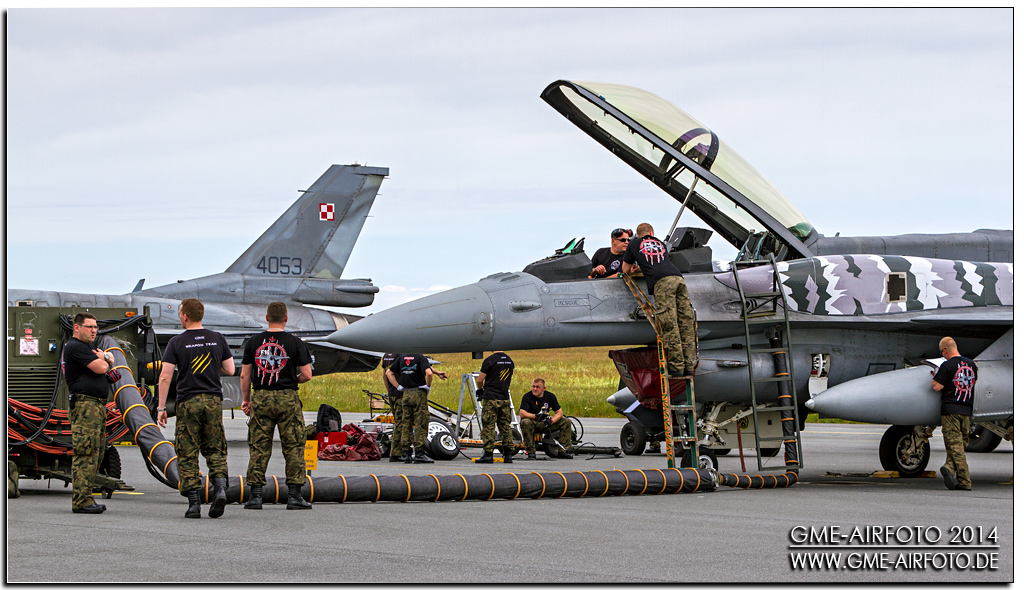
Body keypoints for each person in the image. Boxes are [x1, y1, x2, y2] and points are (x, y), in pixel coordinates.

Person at [157, 298, 235, 518]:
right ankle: (220, 489)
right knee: (215, 448)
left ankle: (194, 504)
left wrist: (161, 407)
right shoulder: (217, 338)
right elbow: (230, 369)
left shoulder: (176, 342)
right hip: (213, 400)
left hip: (188, 401)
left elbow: (165, 377)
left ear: (185, 316)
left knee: (187, 450)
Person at [240, 302, 313, 510]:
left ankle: (255, 496)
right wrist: (291, 379)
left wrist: (247, 400)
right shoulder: (296, 343)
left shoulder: (254, 342)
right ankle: (294, 496)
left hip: (261, 397)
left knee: (258, 446)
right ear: (286, 319)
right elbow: (307, 374)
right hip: (287, 398)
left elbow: (245, 375)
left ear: (266, 318)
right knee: (294, 446)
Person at [621, 223, 696, 378]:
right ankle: (689, 366)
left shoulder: (634, 244)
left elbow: (625, 270)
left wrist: (635, 268)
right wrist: (642, 268)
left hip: (662, 283)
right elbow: (658, 262)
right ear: (651, 232)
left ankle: (677, 367)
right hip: (678, 279)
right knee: (685, 322)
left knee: (669, 324)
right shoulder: (659, 243)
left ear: (637, 234)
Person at [63, 312, 116, 514]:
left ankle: (86, 497)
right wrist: (105, 358)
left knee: (97, 452)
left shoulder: (88, 348)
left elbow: (107, 361)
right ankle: (81, 501)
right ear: (77, 327)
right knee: (86, 453)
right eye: (89, 327)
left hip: (96, 406)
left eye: (95, 327)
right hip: (86, 406)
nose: (94, 331)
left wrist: (105, 357)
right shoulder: (75, 347)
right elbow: (102, 367)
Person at [931, 336, 977, 491]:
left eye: (941, 352)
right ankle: (949, 468)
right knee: (960, 444)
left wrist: (935, 377)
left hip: (951, 411)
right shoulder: (971, 364)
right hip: (966, 410)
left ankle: (964, 481)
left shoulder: (947, 366)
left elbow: (937, 387)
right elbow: (973, 382)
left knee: (955, 447)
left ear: (945, 350)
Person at [386, 353, 445, 463]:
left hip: (406, 394)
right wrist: (428, 386)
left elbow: (388, 372)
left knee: (406, 423)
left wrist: (398, 387)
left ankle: (406, 453)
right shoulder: (420, 358)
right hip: (418, 393)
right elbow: (428, 372)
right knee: (421, 422)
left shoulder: (402, 358)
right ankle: (419, 453)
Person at [476, 351, 516, 463]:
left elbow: (480, 380)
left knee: (489, 426)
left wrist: (480, 390)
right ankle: (508, 454)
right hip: (504, 397)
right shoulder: (509, 361)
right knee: (505, 426)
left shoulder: (490, 360)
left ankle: (488, 454)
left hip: (491, 398)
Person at [518, 378, 572, 459]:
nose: (535, 389)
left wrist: (552, 421)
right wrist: (536, 416)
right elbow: (522, 413)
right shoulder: (527, 397)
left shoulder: (550, 396)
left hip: (546, 424)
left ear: (544, 388)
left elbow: (559, 412)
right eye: (533, 386)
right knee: (524, 422)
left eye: (537, 387)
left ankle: (563, 451)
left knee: (566, 421)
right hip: (534, 423)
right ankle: (531, 452)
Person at [381, 352, 408, 463]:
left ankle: (398, 450)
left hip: (392, 393)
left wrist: (389, 390)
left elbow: (384, 375)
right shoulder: (400, 355)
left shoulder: (386, 355)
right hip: (400, 393)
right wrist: (400, 388)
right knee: (401, 423)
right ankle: (396, 453)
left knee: (398, 422)